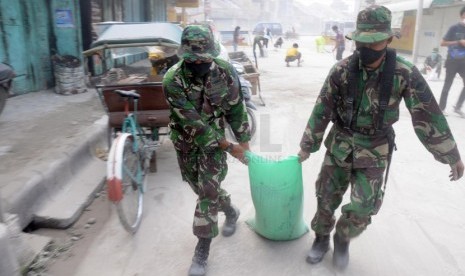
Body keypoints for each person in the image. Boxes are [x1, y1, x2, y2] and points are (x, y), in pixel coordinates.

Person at [297, 5, 464, 270]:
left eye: (374, 42)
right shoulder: (340, 71)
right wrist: (307, 146)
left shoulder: (403, 73)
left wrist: (450, 154)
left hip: (375, 151)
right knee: (326, 197)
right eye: (362, 41)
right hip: (340, 145)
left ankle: (342, 239)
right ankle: (321, 238)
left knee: (365, 207)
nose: (367, 48)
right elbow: (322, 109)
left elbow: (428, 115)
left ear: (388, 39)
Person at [162, 25, 251, 276]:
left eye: (204, 59)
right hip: (187, 143)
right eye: (194, 60)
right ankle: (230, 210)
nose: (199, 63)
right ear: (184, 56)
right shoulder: (172, 80)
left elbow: (236, 108)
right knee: (200, 188)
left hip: (213, 148)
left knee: (207, 191)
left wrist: (244, 144)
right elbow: (193, 123)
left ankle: (202, 249)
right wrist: (229, 147)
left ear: (212, 53)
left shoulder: (224, 72)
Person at [438, 6, 465, 116]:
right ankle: (441, 108)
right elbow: (442, 43)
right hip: (452, 61)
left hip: (464, 62)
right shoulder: (454, 28)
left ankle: (458, 107)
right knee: (447, 85)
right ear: (462, 15)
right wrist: (459, 42)